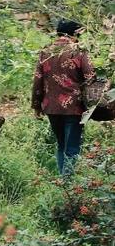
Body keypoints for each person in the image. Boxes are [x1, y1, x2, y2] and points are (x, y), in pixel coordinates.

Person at [31, 19, 96, 177]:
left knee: (61, 145)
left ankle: (63, 183)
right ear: (75, 34)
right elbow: (90, 77)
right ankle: (68, 187)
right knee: (72, 147)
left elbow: (37, 80)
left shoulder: (45, 52)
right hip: (74, 107)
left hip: (51, 107)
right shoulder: (79, 51)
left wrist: (36, 105)